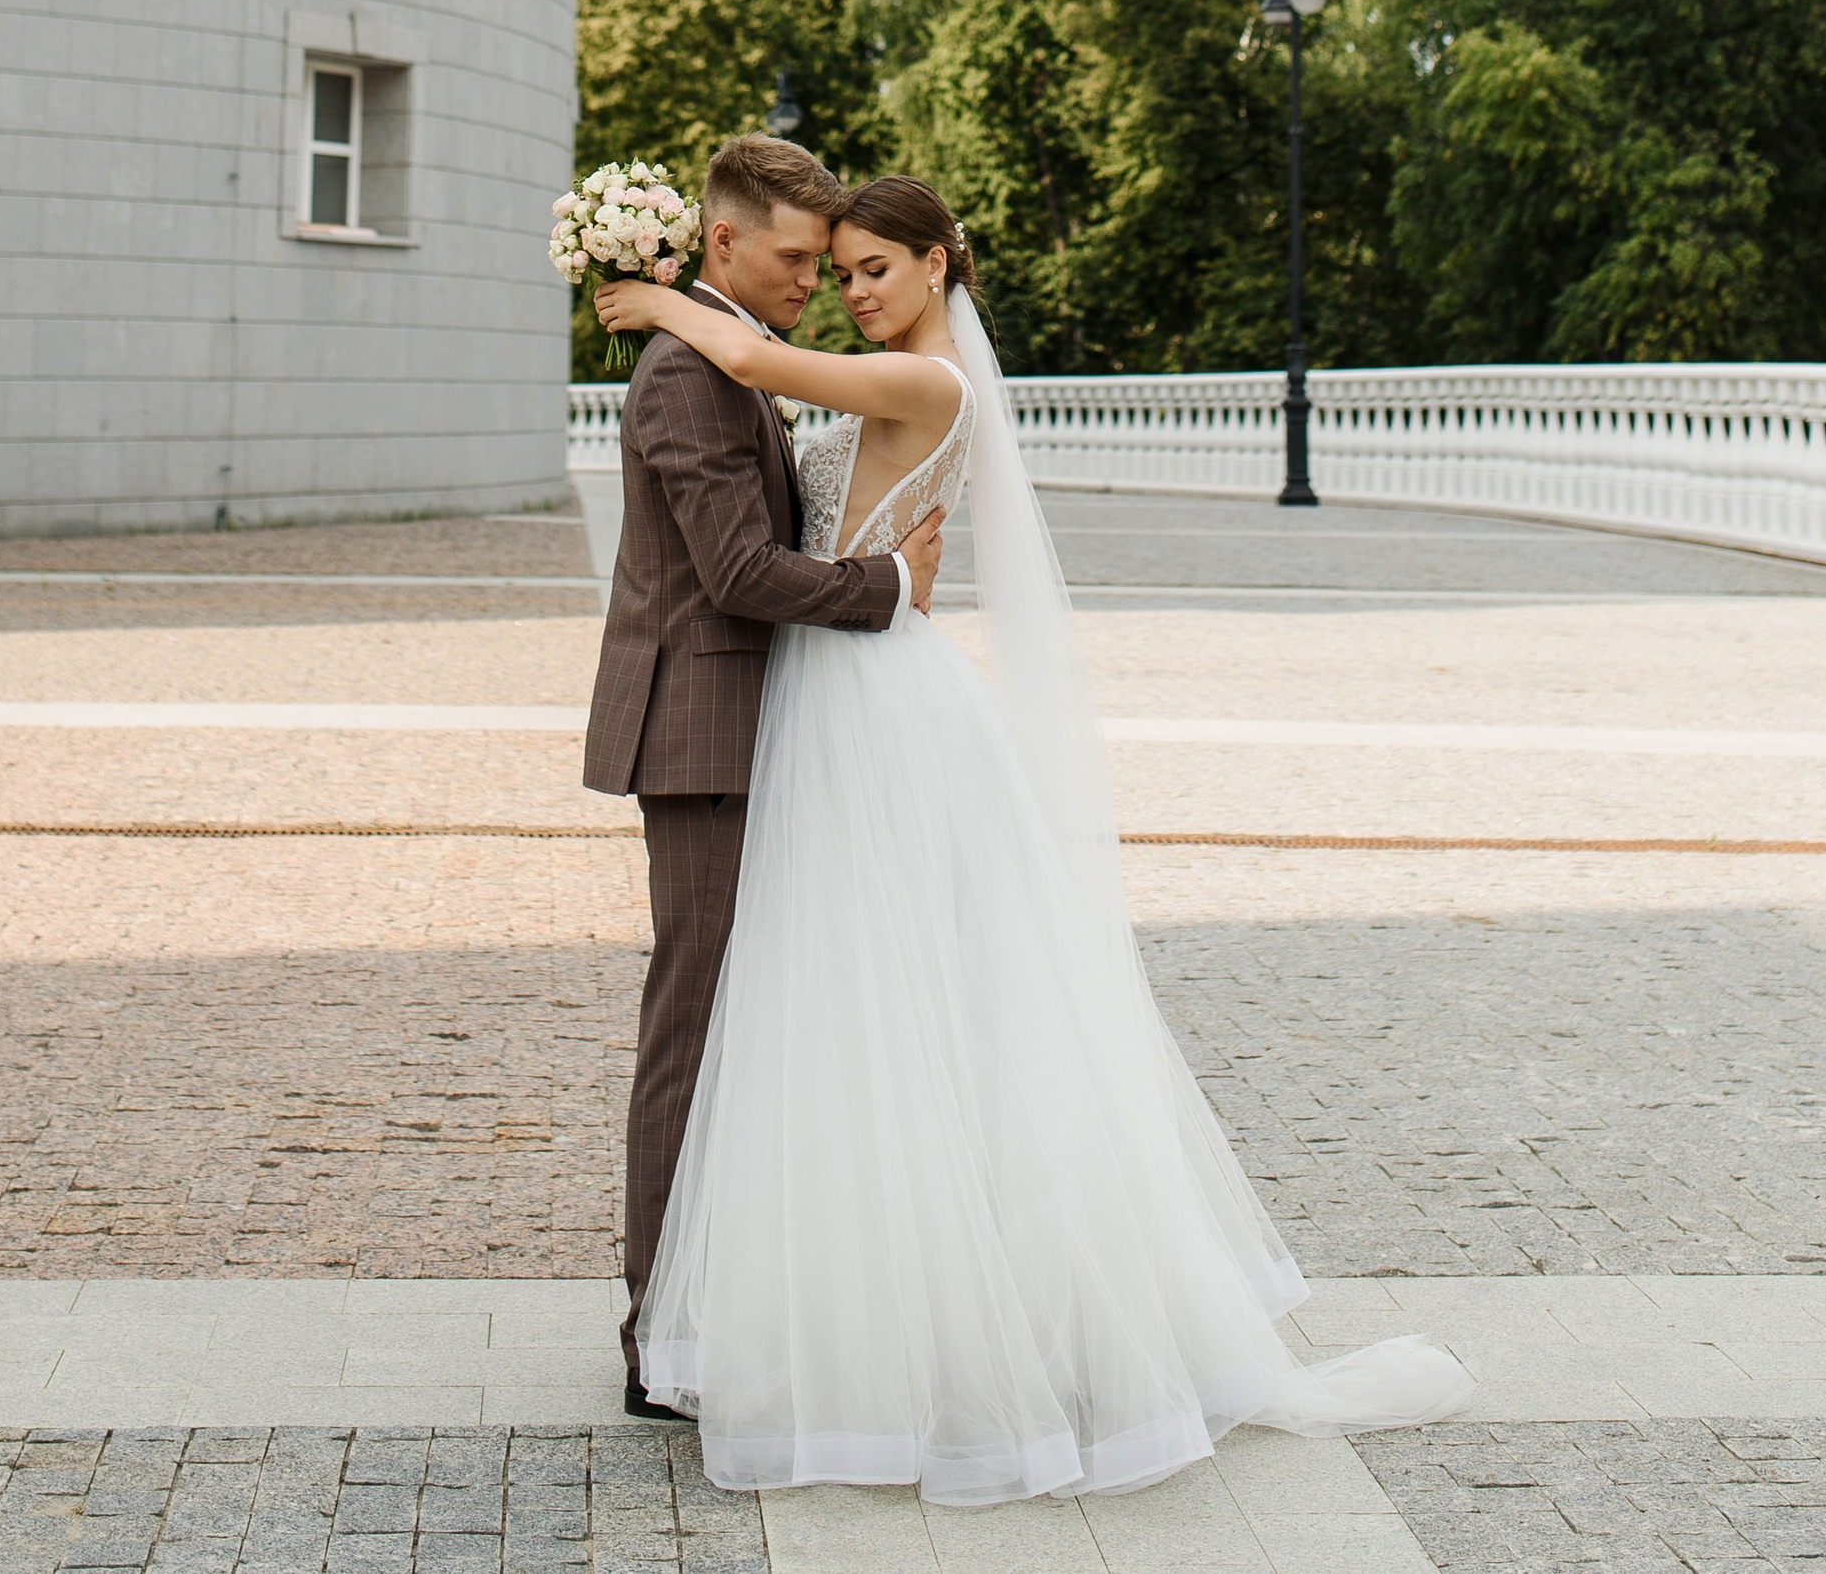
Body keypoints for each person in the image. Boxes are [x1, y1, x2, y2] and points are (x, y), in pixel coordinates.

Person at [594, 172, 1474, 1506]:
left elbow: (756, 356)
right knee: (832, 1007)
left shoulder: (932, 384)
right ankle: (824, 1300)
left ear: (943, 263)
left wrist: (651, 291)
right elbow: (758, 406)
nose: (856, 289)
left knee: (885, 1005)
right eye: (840, 267)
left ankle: (909, 1320)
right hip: (838, 688)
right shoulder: (892, 369)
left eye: (877, 266)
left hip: (871, 692)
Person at [581, 132, 947, 1414]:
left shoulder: (728, 355)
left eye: (831, 260)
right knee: (690, 1028)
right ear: (722, 243)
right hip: (702, 736)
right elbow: (738, 574)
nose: (815, 283)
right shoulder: (687, 372)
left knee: (749, 1026)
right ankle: (656, 1336)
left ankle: (718, 1303)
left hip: (750, 724)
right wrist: (887, 586)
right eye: (796, 258)